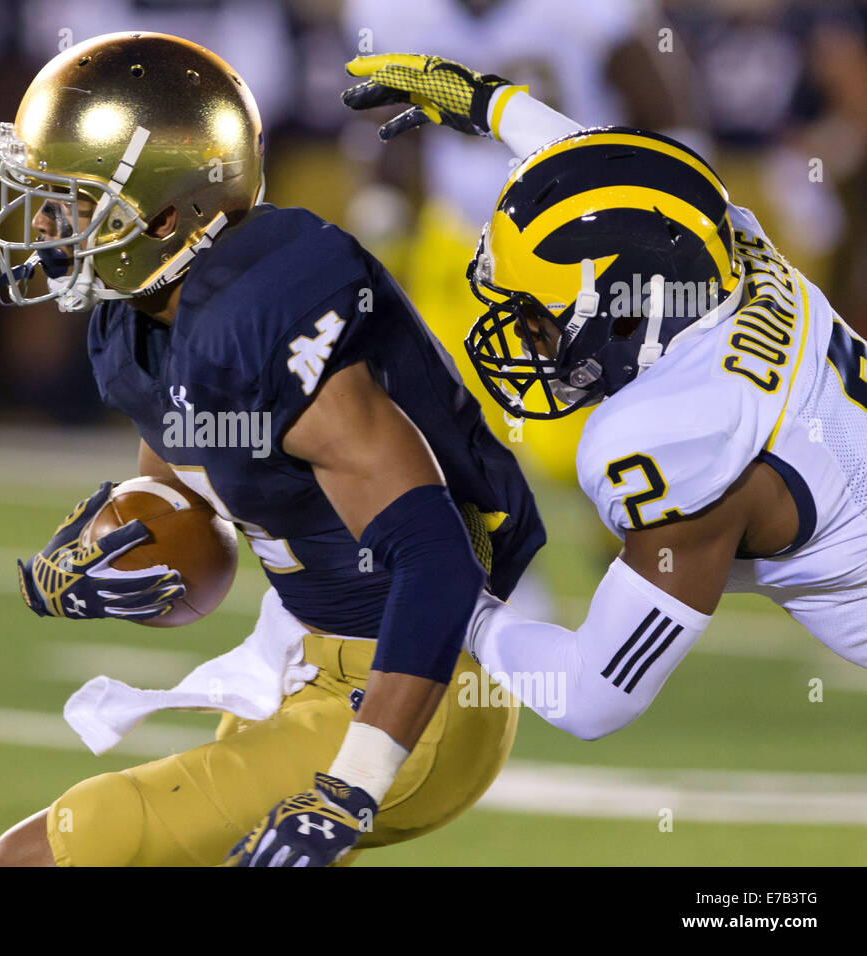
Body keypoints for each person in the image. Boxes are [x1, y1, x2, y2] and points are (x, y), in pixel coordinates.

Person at [0, 32, 544, 867]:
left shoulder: (263, 314)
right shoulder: (137, 320)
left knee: (39, 857)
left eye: (72, 201)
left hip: (412, 687)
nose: (46, 226)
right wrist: (126, 558)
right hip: (303, 655)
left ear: (168, 214)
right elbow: (199, 535)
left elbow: (439, 561)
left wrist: (350, 788)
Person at [342, 52, 867, 742]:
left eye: (537, 313)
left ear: (623, 314)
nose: (524, 333)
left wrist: (454, 605)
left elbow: (591, 697)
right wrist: (490, 105)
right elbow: (631, 186)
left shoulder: (687, 436)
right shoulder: (731, 252)